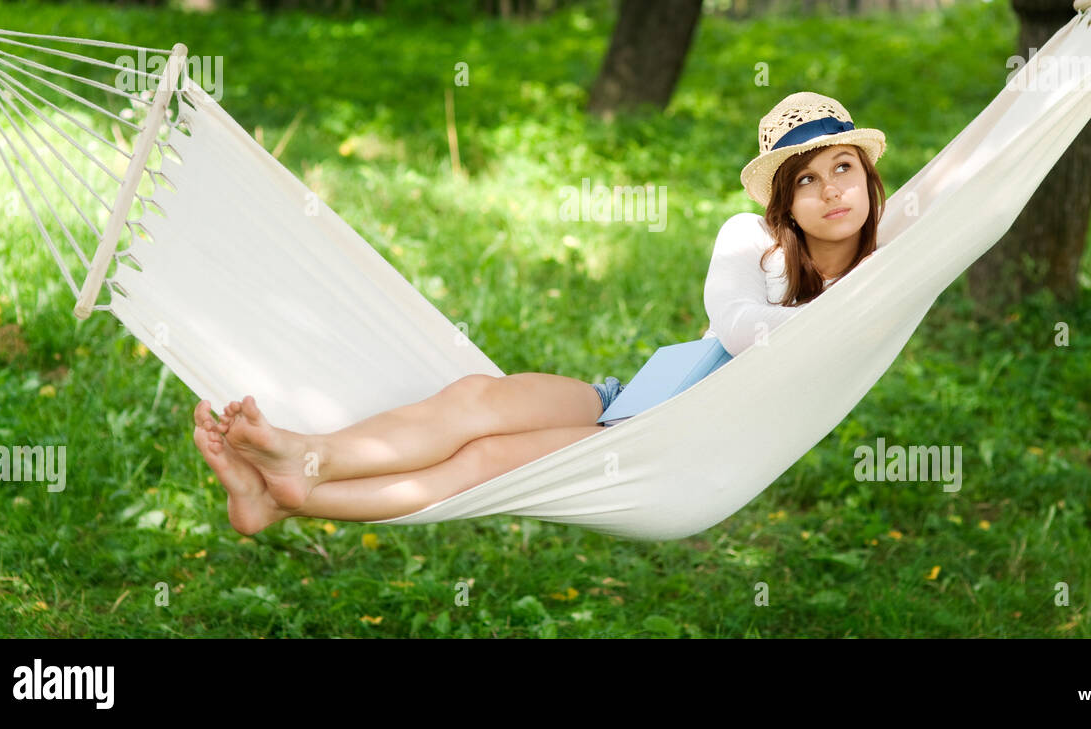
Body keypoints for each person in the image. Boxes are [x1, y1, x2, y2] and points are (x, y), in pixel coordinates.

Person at [191, 91, 887, 534]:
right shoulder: (749, 238)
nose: (830, 191)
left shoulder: (887, 265)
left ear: (868, 174)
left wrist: (848, 305)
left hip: (672, 450)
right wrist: (833, 314)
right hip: (637, 400)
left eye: (842, 168)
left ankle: (296, 491)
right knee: (474, 396)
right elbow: (736, 326)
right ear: (785, 204)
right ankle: (302, 464)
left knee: (488, 458)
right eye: (806, 178)